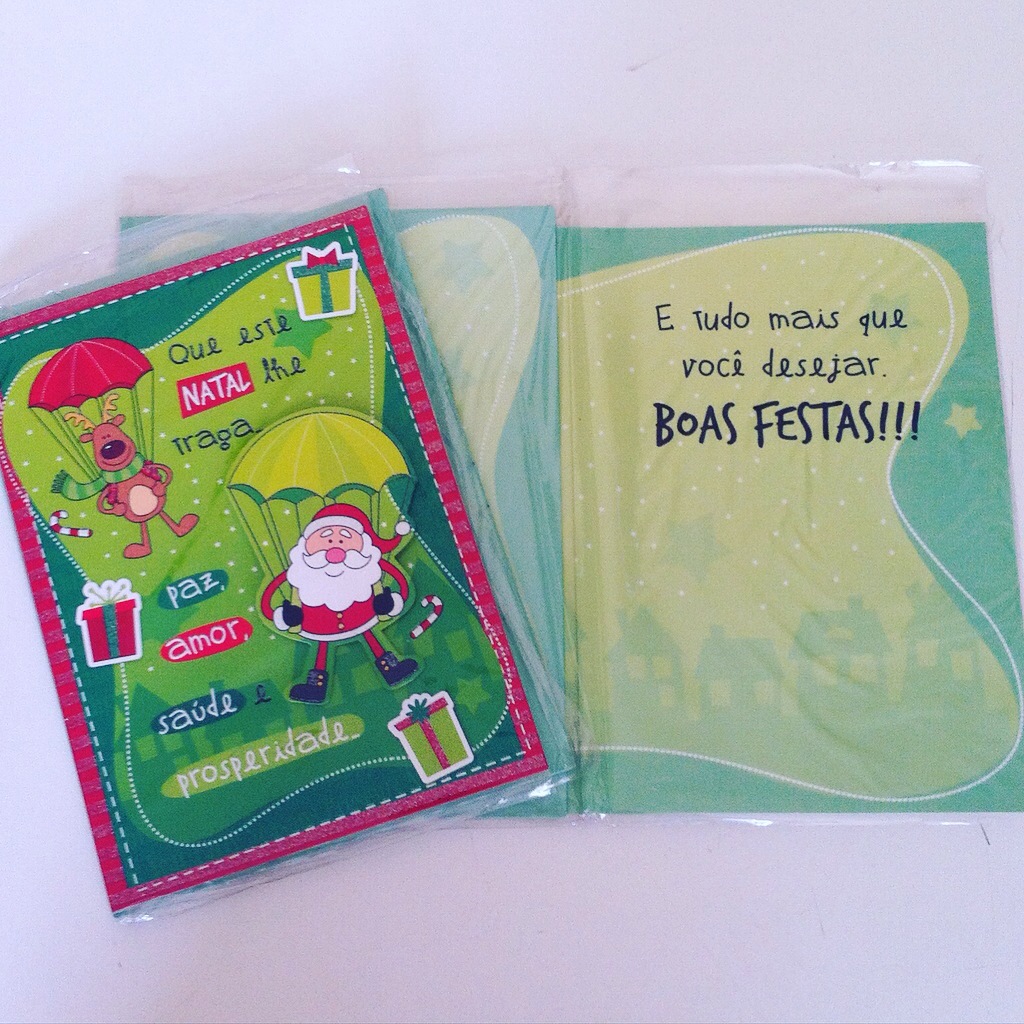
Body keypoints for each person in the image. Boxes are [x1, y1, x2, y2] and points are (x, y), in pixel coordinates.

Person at [261, 503, 418, 703]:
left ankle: (392, 669)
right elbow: (268, 600)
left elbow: (401, 583)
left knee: (371, 636)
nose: (335, 543)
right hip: (318, 625)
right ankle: (315, 687)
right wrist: (287, 616)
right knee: (322, 648)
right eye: (325, 536)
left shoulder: (366, 567)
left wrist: (387, 603)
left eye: (345, 536)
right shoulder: (301, 572)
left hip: (361, 616)